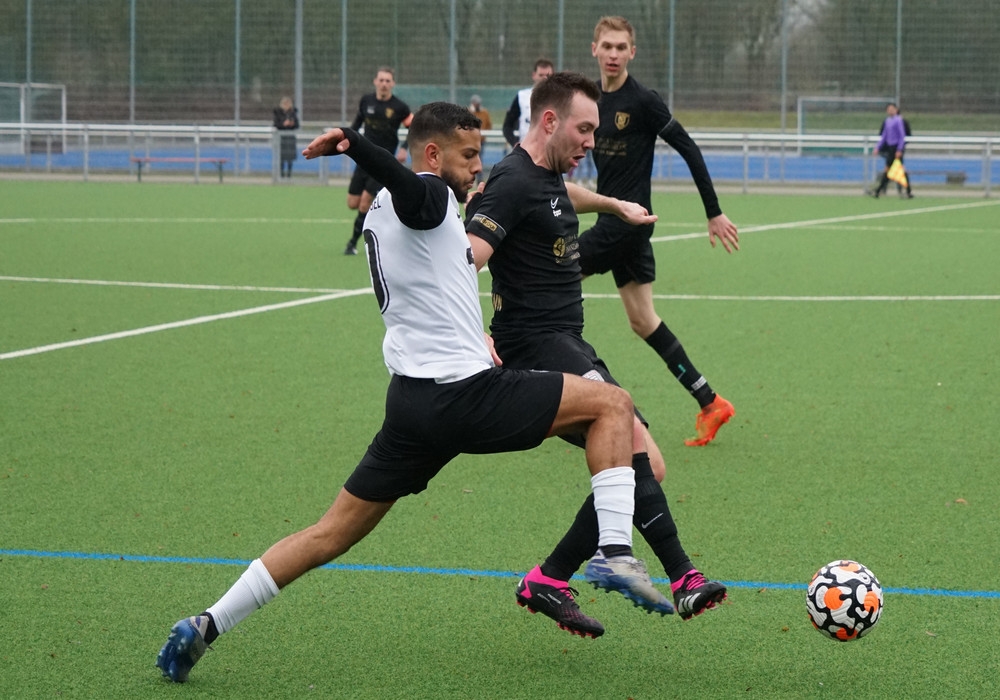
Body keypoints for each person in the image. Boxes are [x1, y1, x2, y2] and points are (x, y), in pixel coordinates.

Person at [155, 101, 658, 682]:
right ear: (433, 155)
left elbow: (435, 283)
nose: (477, 167)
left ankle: (206, 624)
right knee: (613, 405)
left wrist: (476, 336)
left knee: (329, 533)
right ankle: (613, 552)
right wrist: (355, 143)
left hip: (412, 404)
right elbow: (411, 185)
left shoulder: (380, 212)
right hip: (465, 396)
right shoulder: (429, 194)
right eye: (468, 155)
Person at [465, 72, 728, 638]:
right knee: (630, 437)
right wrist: (473, 333)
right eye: (584, 129)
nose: (592, 141)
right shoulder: (511, 180)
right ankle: (681, 575)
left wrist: (614, 205)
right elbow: (466, 260)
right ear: (550, 121)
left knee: (647, 463)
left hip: (566, 341)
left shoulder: (544, 175)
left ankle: (549, 577)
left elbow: (562, 198)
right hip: (536, 344)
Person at [582, 16, 740, 447]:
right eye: (607, 46)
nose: (613, 54)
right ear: (594, 49)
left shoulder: (643, 101)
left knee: (551, 278)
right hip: (620, 223)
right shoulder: (589, 100)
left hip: (626, 226)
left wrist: (714, 212)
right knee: (642, 320)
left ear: (632, 52)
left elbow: (688, 148)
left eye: (621, 47)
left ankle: (600, 402)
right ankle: (710, 401)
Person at [343, 66, 413, 255]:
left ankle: (352, 243)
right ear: (375, 81)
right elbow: (356, 124)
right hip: (363, 158)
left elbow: (414, 128)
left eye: (387, 81)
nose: (384, 84)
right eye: (381, 80)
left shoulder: (400, 107)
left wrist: (404, 148)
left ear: (393, 84)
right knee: (352, 203)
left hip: (383, 162)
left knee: (365, 202)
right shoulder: (366, 101)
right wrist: (345, 140)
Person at [501, 58, 554, 149]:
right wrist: (514, 142)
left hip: (551, 151)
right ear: (534, 75)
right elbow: (507, 126)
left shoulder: (561, 98)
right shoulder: (522, 97)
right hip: (527, 151)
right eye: (541, 75)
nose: (544, 78)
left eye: (547, 75)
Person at [870, 102, 913, 199]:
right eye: (888, 109)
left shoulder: (898, 120)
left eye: (892, 109)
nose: (890, 111)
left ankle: (880, 190)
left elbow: (902, 136)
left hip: (896, 148)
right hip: (890, 148)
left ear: (896, 110)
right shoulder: (887, 121)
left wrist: (899, 149)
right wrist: (877, 147)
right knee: (889, 170)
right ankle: (879, 190)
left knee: (897, 170)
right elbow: (884, 136)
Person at [273, 96, 300, 178]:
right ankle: (281, 175)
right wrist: (283, 124)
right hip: (281, 138)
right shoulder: (278, 113)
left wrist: (292, 124)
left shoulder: (293, 113)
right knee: (281, 157)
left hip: (290, 137)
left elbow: (297, 125)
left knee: (290, 157)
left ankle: (289, 175)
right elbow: (275, 124)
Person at [468, 94, 492, 181]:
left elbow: (489, 125)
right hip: (470, 141)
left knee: (479, 159)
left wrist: (483, 135)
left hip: (481, 141)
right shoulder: (469, 112)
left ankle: (479, 179)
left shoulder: (484, 112)